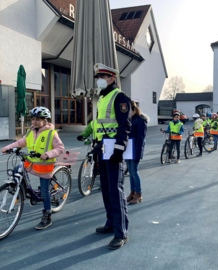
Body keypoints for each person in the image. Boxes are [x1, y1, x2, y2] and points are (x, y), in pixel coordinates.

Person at [1, 107, 64, 230]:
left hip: (45, 166)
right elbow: (20, 143)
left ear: (45, 121)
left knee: (45, 193)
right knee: (16, 170)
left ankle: (47, 215)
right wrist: (7, 148)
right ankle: (22, 190)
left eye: (38, 119)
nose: (34, 122)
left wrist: (48, 154)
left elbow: (60, 149)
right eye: (33, 119)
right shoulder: (31, 132)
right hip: (32, 163)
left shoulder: (51, 133)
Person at [92, 63, 131, 250]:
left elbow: (124, 125)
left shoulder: (119, 97)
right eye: (98, 77)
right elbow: (100, 125)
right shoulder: (102, 98)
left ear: (112, 78)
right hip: (103, 147)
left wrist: (118, 149)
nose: (99, 80)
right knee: (106, 189)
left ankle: (121, 232)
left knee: (116, 190)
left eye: (103, 76)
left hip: (114, 148)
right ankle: (110, 223)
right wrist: (96, 144)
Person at [125, 101, 148, 205]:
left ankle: (139, 194)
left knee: (134, 171)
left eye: (129, 111)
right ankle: (132, 192)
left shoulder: (140, 121)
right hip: (128, 148)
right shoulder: (130, 119)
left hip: (135, 149)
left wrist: (138, 154)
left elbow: (141, 139)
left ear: (134, 110)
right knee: (131, 172)